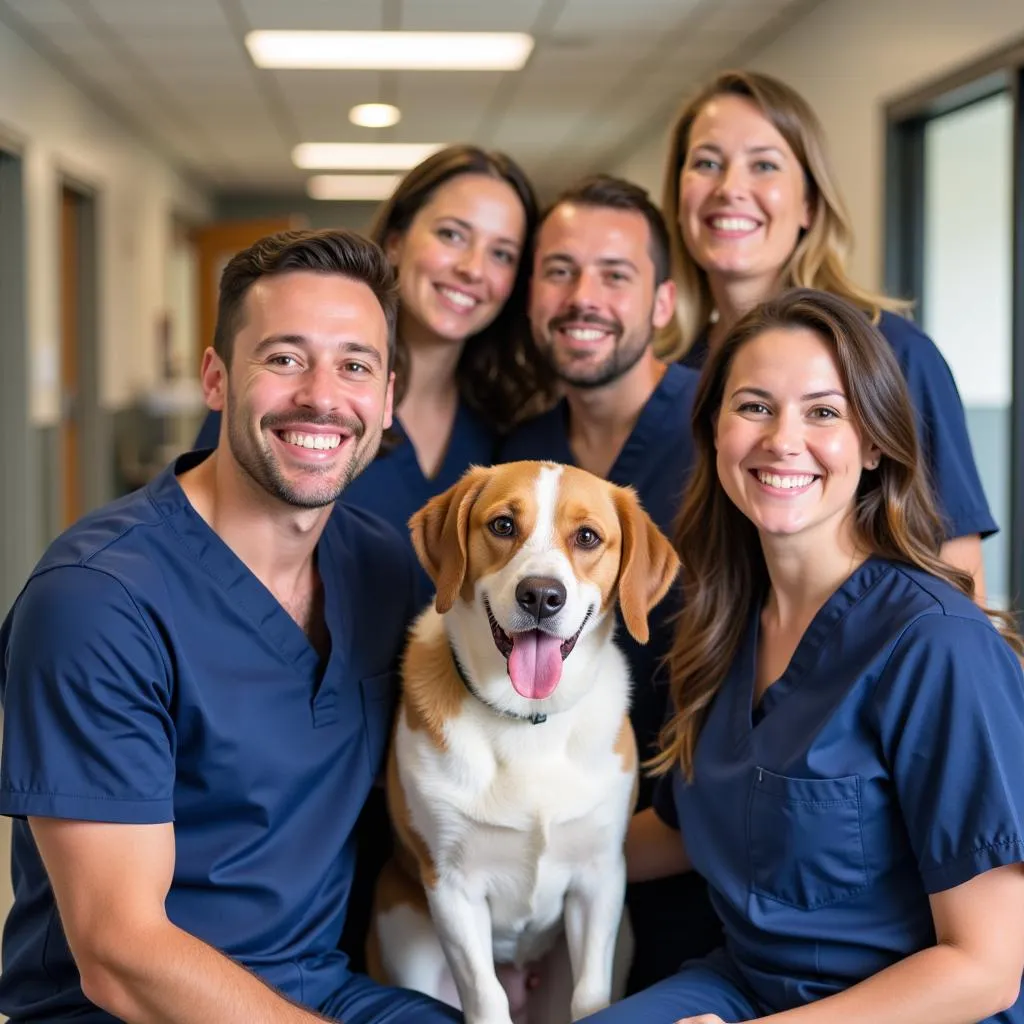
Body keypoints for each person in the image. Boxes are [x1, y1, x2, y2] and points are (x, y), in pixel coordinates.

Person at [0, 229, 462, 1024]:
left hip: (320, 990)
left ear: (386, 401)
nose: (322, 395)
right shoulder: (98, 601)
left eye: (354, 365)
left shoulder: (385, 570)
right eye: (284, 358)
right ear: (216, 379)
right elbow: (118, 951)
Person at [581, 288, 1024, 1024]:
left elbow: (986, 969)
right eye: (754, 406)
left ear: (874, 442)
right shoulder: (717, 621)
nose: (783, 440)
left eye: (824, 412)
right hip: (745, 987)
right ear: (715, 433)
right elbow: (696, 828)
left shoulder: (938, 645)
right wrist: (508, 859)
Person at [499, 175, 716, 993]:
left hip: (702, 862)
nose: (582, 297)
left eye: (614, 274)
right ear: (529, 296)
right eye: (558, 270)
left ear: (663, 302)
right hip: (536, 872)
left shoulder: (724, 439)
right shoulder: (519, 457)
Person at [661, 69, 996, 596]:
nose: (729, 189)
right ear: (678, 200)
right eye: (706, 163)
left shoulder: (897, 354)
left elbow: (959, 577)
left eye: (764, 165)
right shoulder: (674, 372)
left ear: (810, 205)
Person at [194, 145, 554, 608]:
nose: (472, 268)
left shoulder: (510, 421)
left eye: (502, 254)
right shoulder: (290, 402)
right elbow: (203, 560)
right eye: (451, 235)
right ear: (397, 241)